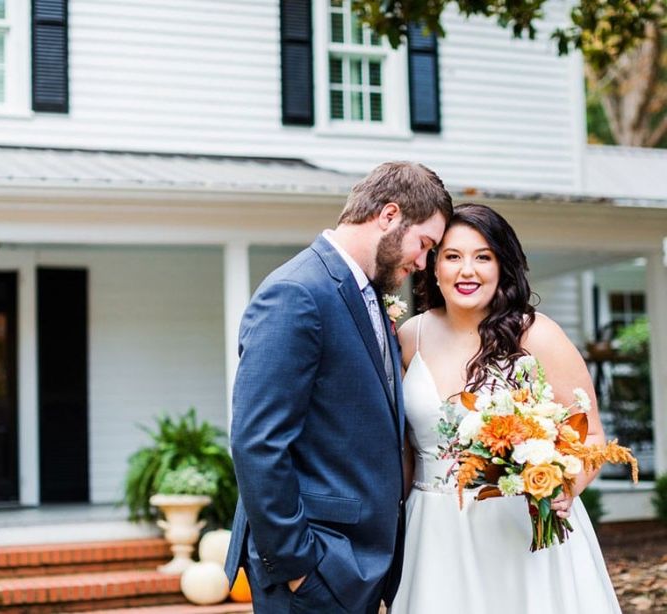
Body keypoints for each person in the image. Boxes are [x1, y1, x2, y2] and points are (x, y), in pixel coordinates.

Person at [224, 161, 453, 613]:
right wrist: (298, 568)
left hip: (353, 564)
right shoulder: (297, 292)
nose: (424, 262)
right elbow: (257, 442)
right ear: (389, 216)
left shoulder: (360, 291)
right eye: (424, 244)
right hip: (317, 569)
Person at [392, 203, 621, 613]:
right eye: (453, 256)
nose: (468, 270)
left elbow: (590, 434)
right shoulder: (412, 336)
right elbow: (405, 448)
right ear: (434, 266)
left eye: (483, 257)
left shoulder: (537, 334)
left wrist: (564, 486)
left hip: (520, 528)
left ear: (502, 266)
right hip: (433, 532)